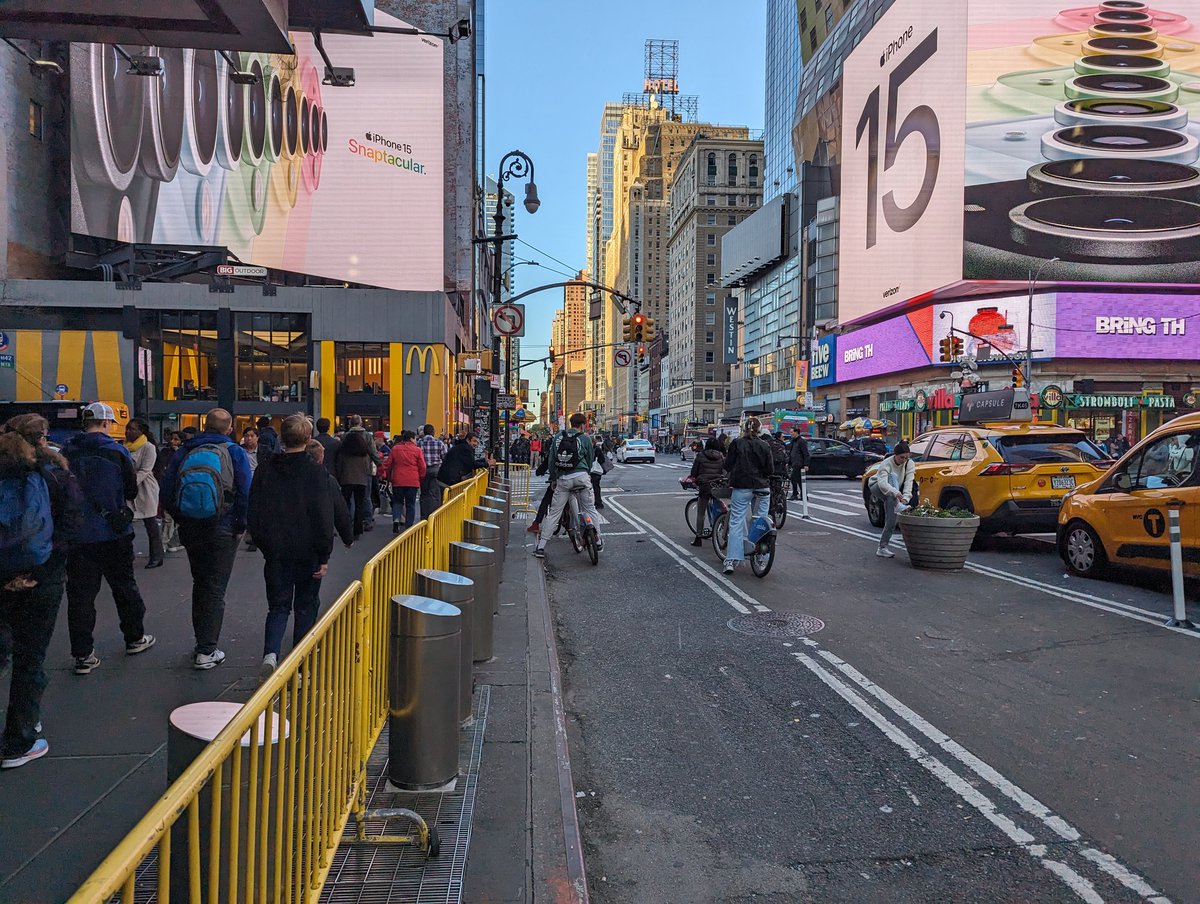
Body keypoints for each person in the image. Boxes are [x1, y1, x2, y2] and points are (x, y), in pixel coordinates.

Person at [0, 416, 82, 768]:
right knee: (30, 657)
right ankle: (19, 741)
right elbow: (73, 524)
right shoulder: (55, 472)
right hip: (42, 575)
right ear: (44, 438)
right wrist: (40, 567)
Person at [248, 416, 346, 680]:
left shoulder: (265, 469)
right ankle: (299, 665)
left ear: (282, 438)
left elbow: (254, 511)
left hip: (276, 550)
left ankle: (271, 653)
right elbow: (323, 516)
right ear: (308, 438)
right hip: (308, 550)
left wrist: (264, 544)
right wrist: (324, 554)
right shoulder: (316, 472)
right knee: (306, 605)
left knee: (278, 606)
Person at [62, 402, 155, 673]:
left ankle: (83, 655)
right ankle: (134, 637)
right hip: (114, 531)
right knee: (124, 587)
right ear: (106, 423)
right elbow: (129, 488)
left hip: (78, 534)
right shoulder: (116, 452)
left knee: (80, 596)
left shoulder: (67, 451)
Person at [161, 408, 253, 669]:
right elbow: (245, 490)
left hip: (191, 526)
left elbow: (167, 489)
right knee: (215, 587)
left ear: (205, 425)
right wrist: (240, 524)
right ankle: (206, 649)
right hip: (222, 525)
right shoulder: (234, 451)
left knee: (200, 582)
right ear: (229, 427)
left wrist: (181, 517)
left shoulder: (186, 450)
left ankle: (202, 643)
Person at [534, 413, 602, 559]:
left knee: (554, 513)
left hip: (563, 479)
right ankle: (598, 540)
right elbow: (590, 460)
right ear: (583, 425)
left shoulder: (558, 437)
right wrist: (586, 473)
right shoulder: (585, 438)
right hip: (581, 478)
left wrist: (554, 478)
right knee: (590, 508)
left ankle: (541, 547)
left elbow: (551, 460)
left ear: (571, 424)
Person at [721, 417, 774, 574]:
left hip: (742, 486)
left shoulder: (737, 443)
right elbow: (769, 470)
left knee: (737, 521)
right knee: (761, 520)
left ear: (744, 429)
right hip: (762, 487)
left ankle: (731, 559)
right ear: (759, 430)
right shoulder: (765, 445)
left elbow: (728, 465)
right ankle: (762, 557)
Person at [124, 419, 164, 569]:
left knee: (150, 523)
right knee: (125, 523)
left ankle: (157, 556)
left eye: (132, 429)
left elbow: (146, 470)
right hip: (129, 488)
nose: (128, 432)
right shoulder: (123, 447)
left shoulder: (148, 447)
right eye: (127, 428)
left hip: (145, 488)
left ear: (141, 431)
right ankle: (126, 555)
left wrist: (130, 483)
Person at [868, 440, 914, 559]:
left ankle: (882, 547)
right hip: (876, 486)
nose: (903, 460)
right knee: (892, 477)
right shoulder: (886, 463)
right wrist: (896, 493)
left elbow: (909, 481)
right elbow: (882, 483)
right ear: (895, 455)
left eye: (906, 458)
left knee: (892, 519)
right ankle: (897, 504)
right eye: (901, 457)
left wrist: (906, 498)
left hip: (893, 493)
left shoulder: (909, 463)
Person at [305, 440, 355, 546]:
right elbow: (340, 510)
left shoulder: (287, 475)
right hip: (317, 534)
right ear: (320, 458)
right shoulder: (326, 479)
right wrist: (348, 538)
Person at [377, 431, 425, 533]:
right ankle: (409, 526)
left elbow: (388, 464)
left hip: (398, 480)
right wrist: (420, 478)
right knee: (410, 504)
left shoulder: (395, 449)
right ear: (412, 439)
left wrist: (383, 473)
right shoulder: (417, 450)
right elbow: (422, 466)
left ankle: (396, 520)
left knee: (397, 502)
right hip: (412, 480)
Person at [334, 421, 375, 538]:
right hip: (361, 480)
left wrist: (339, 477)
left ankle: (347, 527)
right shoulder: (364, 454)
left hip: (346, 480)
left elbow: (339, 466)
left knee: (346, 504)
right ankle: (358, 529)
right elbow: (368, 467)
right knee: (359, 505)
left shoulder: (343, 453)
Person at [688, 438, 726, 546]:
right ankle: (723, 526)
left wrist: (696, 478)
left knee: (701, 513)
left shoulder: (701, 456)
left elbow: (693, 472)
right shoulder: (721, 456)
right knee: (719, 506)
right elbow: (724, 471)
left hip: (704, 486)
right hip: (717, 485)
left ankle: (698, 537)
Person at [416, 424, 448, 519]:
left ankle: (424, 516)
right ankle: (434, 516)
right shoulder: (439, 443)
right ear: (433, 432)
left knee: (424, 494)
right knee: (435, 494)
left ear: (424, 432)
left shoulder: (419, 443)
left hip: (423, 470)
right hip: (436, 469)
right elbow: (444, 457)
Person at [241, 428, 261, 552]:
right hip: (244, 483)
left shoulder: (264, 450)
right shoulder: (239, 450)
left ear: (257, 437)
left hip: (259, 484)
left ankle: (255, 537)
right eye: (247, 436)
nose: (249, 438)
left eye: (252, 436)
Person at [789, 427, 811, 500]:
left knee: (797, 479)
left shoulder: (802, 441)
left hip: (799, 463)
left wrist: (806, 464)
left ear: (796, 432)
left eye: (792, 432)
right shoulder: (793, 441)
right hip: (794, 463)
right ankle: (799, 494)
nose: (790, 433)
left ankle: (800, 495)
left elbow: (806, 453)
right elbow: (791, 452)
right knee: (796, 479)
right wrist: (789, 462)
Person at [589, 435, 610, 510]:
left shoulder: (590, 450)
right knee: (596, 487)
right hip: (596, 471)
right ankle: (598, 502)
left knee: (592, 487)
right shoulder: (597, 449)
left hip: (592, 471)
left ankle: (597, 502)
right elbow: (602, 460)